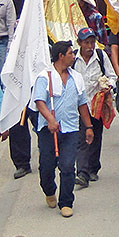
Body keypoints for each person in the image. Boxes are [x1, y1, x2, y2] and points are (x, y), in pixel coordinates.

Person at [30, 41, 94, 218]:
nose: (74, 57)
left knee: (67, 166)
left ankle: (66, 201)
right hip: (49, 130)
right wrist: (50, 119)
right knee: (47, 166)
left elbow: (82, 104)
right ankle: (49, 190)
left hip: (71, 128)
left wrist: (88, 126)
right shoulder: (45, 77)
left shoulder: (76, 78)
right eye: (71, 54)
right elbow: (39, 101)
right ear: (61, 56)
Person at [73, 27, 116, 189]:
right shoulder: (74, 59)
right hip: (80, 106)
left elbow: (111, 76)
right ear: (80, 43)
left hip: (97, 103)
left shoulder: (100, 56)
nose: (90, 46)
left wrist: (108, 85)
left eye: (92, 42)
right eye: (86, 43)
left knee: (96, 135)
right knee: (83, 137)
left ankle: (93, 168)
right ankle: (82, 172)